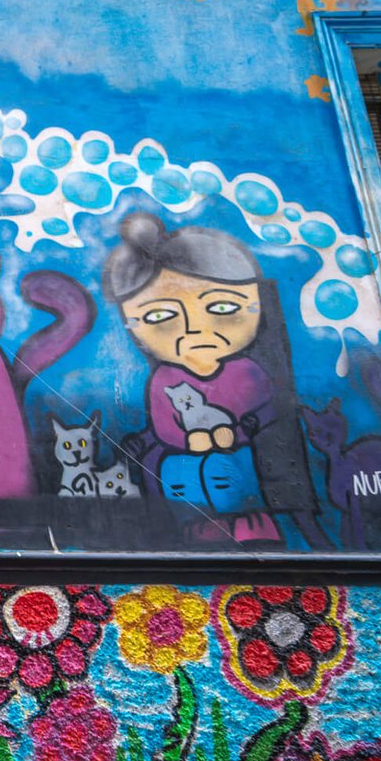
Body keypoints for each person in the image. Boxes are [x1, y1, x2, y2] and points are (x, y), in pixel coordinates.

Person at [104, 211, 322, 547]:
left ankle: (251, 526)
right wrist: (186, 441)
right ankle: (197, 526)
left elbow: (268, 409)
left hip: (245, 464)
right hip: (188, 464)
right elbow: (164, 424)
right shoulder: (165, 379)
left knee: (229, 469)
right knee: (179, 470)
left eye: (222, 308)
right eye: (160, 315)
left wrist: (242, 428)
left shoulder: (248, 371)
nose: (194, 330)